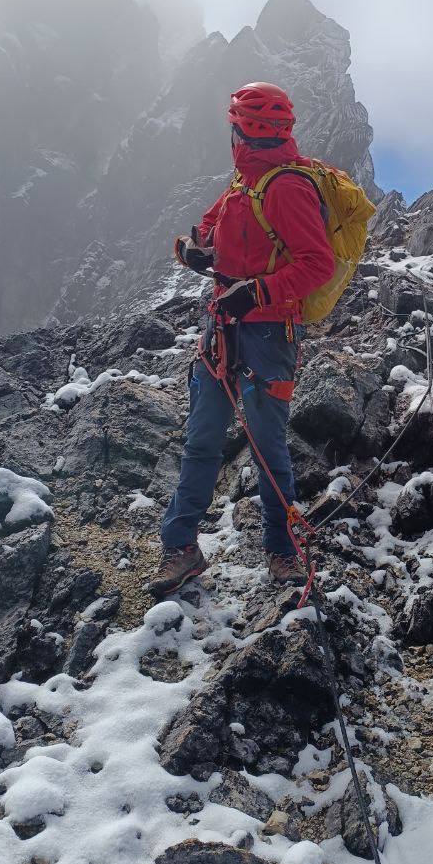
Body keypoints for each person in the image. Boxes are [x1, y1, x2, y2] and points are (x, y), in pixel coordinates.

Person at [147, 81, 335, 598]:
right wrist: (191, 248)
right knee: (203, 438)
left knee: (266, 446)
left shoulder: (287, 187)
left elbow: (318, 263)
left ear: (241, 133)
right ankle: (181, 546)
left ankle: (282, 549)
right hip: (225, 327)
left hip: (267, 333)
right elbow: (209, 228)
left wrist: (257, 293)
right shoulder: (245, 180)